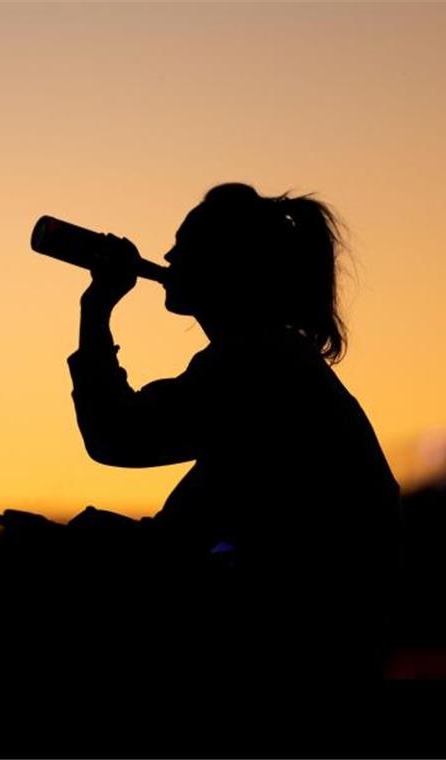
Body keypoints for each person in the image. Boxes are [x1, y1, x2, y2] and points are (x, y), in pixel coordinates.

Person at [55, 183, 402, 690]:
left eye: (186, 246)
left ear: (231, 266)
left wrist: (97, 307)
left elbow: (118, 436)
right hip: (328, 654)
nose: (168, 255)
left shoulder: (257, 366)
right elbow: (195, 536)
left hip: (299, 663)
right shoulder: (276, 362)